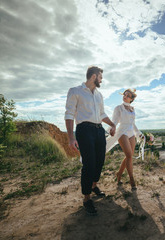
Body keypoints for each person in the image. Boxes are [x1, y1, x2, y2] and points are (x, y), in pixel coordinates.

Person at [65, 66, 116, 215]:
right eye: (100, 77)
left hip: (99, 130)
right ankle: (87, 198)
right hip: (84, 130)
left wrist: (112, 124)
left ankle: (94, 186)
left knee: (100, 161)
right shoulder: (75, 91)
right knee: (89, 164)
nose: (102, 80)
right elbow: (69, 114)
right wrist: (70, 137)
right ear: (94, 76)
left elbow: (102, 113)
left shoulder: (99, 95)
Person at [106, 89, 143, 190]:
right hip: (122, 132)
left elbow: (133, 123)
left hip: (131, 132)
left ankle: (119, 174)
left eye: (128, 95)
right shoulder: (118, 108)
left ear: (131, 99)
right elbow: (114, 121)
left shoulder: (132, 109)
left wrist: (139, 134)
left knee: (129, 156)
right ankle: (131, 179)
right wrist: (111, 129)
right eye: (124, 95)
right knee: (129, 155)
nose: (125, 96)